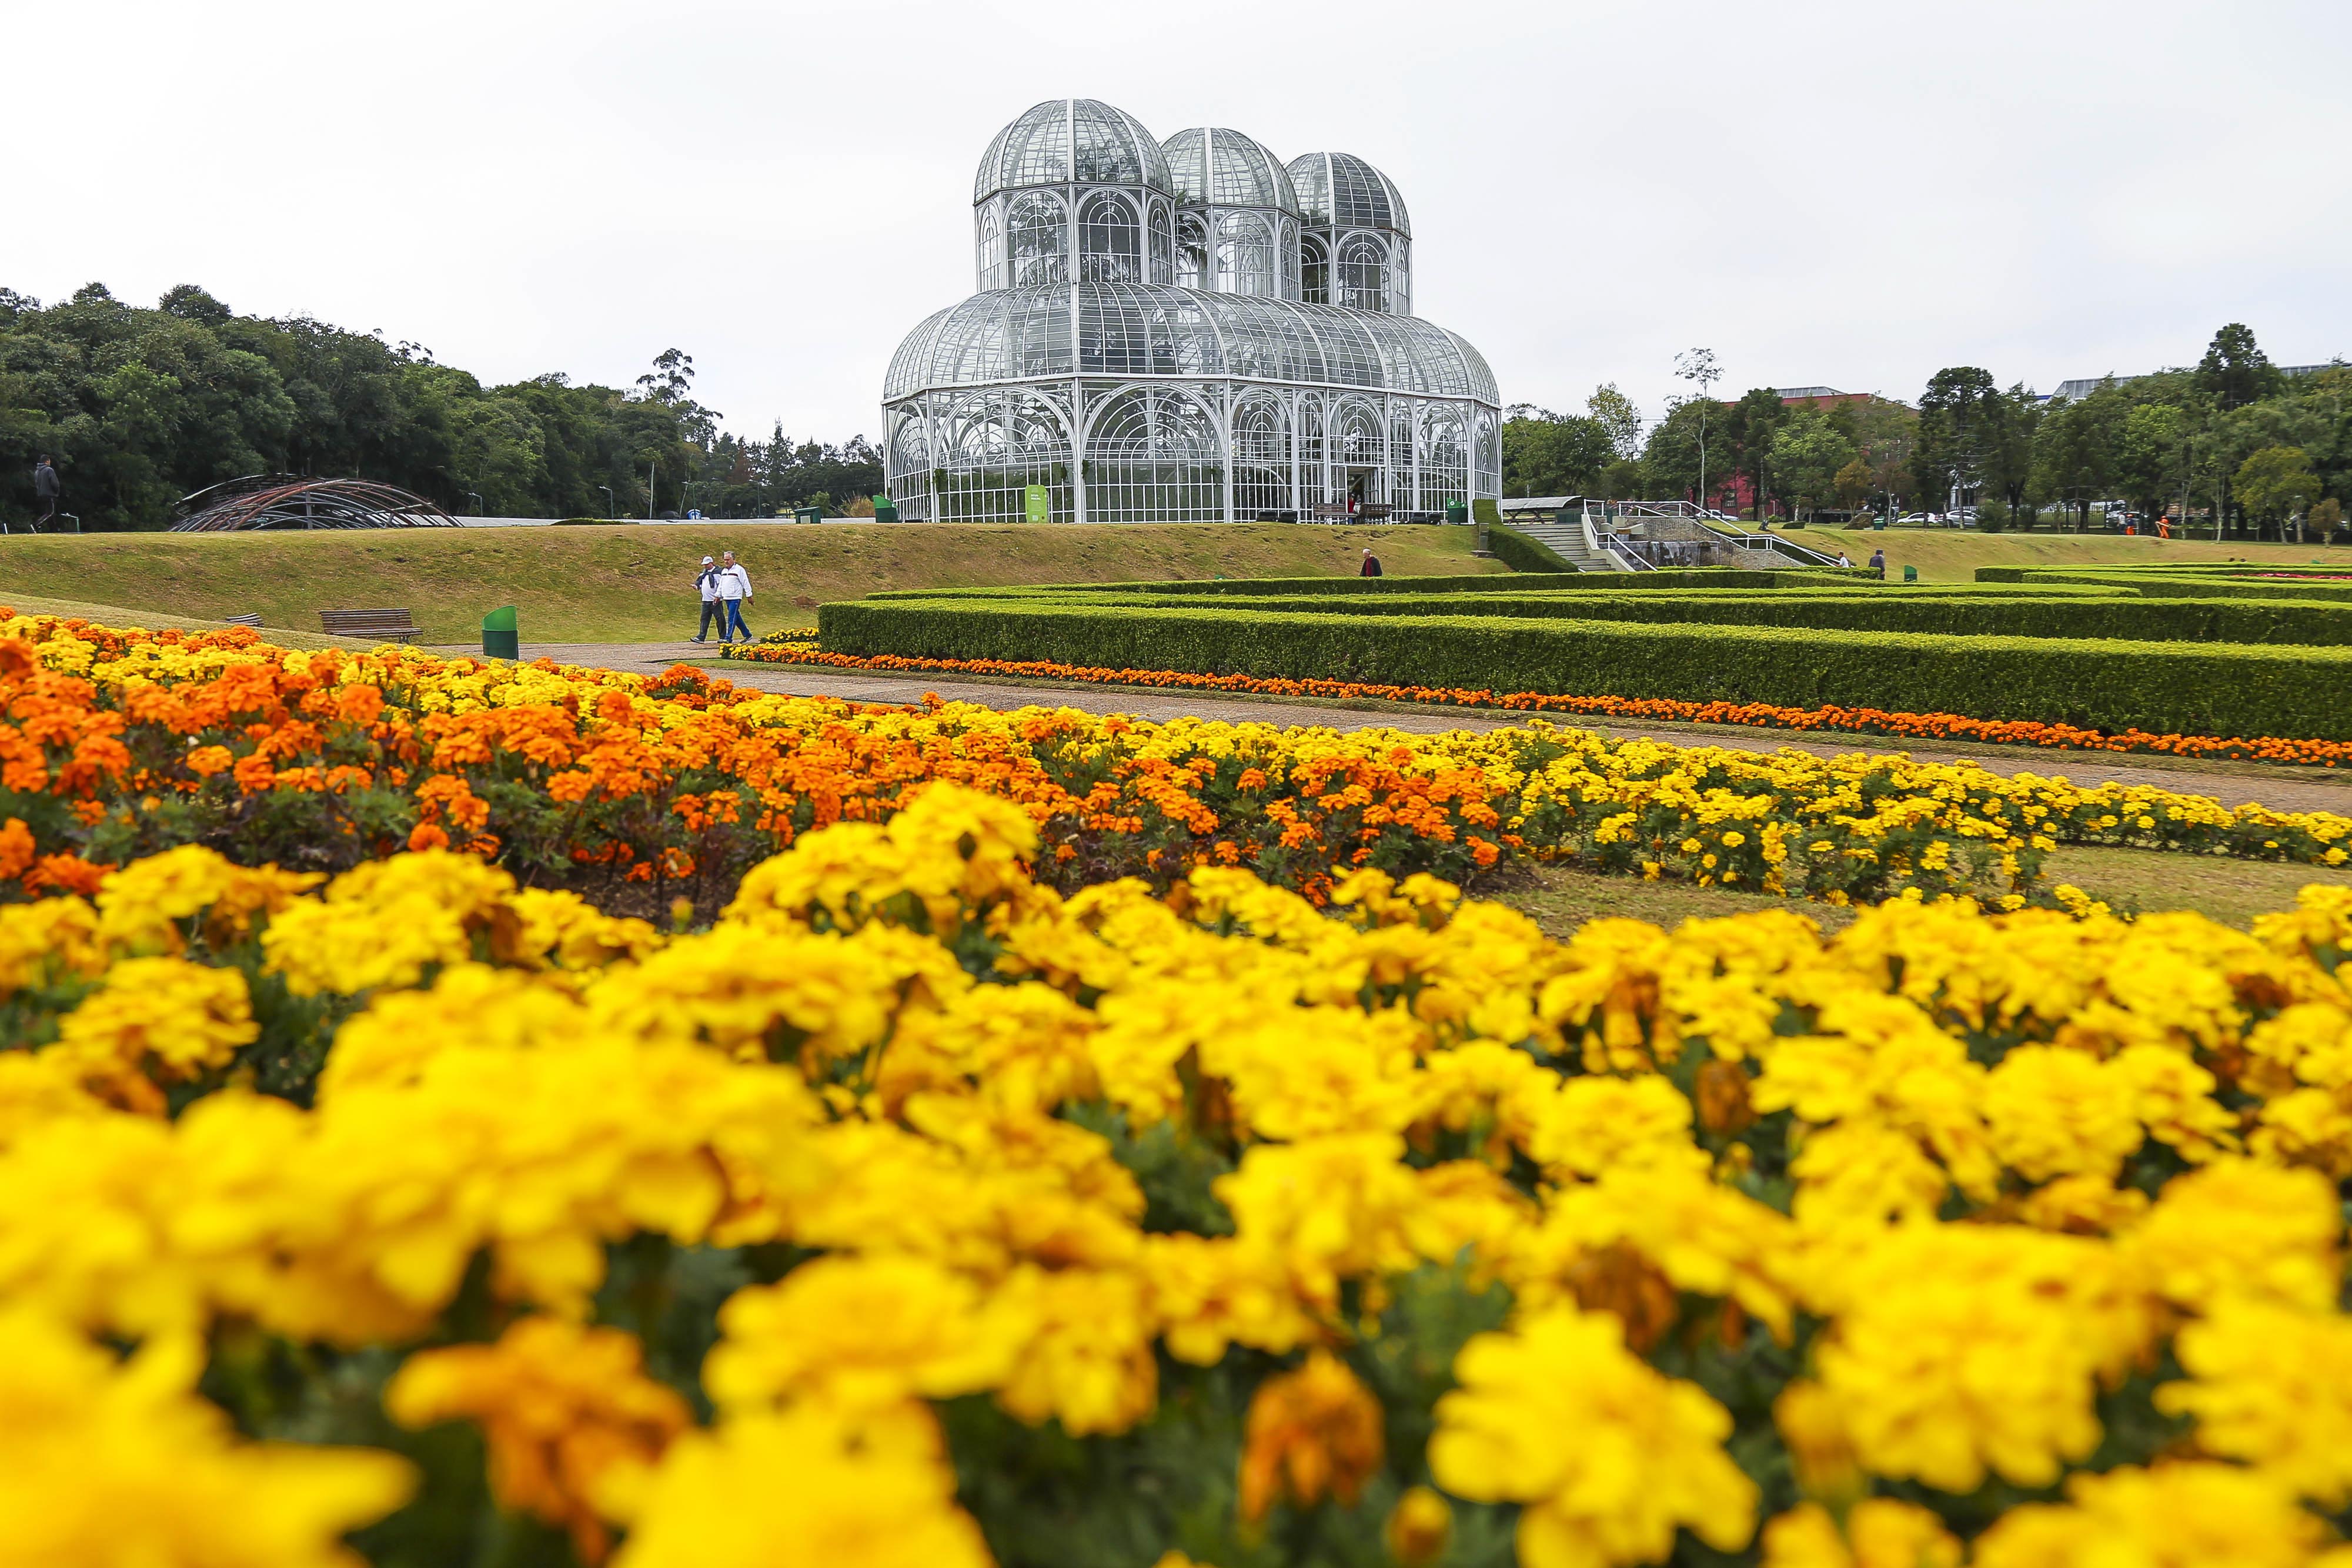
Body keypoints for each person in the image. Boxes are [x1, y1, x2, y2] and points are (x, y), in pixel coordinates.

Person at [717, 551, 753, 643]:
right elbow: (721, 584)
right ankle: (747, 634)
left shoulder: (739, 570)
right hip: (727, 597)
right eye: (725, 560)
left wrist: (749, 595)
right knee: (736, 617)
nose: (726, 562)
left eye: (728, 560)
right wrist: (718, 595)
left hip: (735, 597)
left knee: (731, 617)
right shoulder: (724, 571)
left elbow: (745, 582)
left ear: (733, 559)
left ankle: (728, 638)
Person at [690, 555, 724, 643]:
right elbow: (702, 584)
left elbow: (721, 586)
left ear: (711, 563)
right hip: (705, 600)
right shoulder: (703, 574)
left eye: (707, 564)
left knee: (720, 619)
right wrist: (697, 586)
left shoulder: (718, 574)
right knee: (704, 619)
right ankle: (701, 636)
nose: (705, 566)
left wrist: (718, 596)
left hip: (715, 600)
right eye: (704, 565)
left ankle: (723, 637)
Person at [32, 455, 60, 530]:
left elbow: (37, 483)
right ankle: (36, 524)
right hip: (49, 494)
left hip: (41, 494)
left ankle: (54, 529)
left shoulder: (37, 471)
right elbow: (55, 483)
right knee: (50, 512)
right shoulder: (49, 470)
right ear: (47, 461)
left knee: (50, 512)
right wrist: (56, 491)